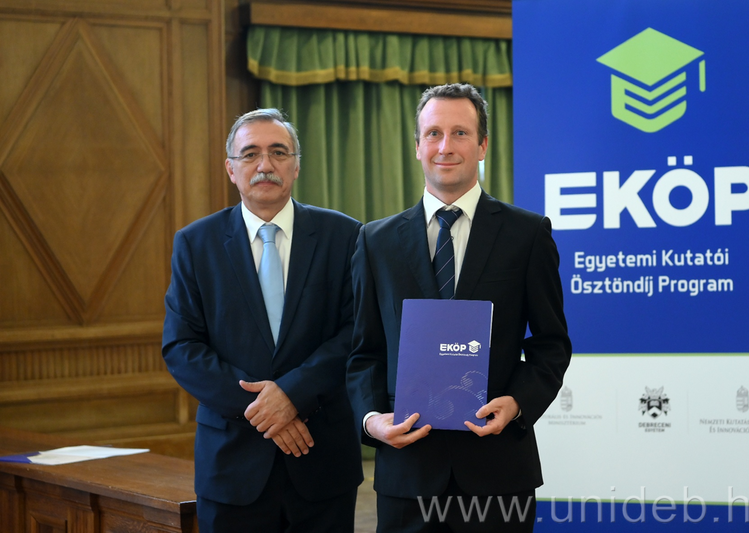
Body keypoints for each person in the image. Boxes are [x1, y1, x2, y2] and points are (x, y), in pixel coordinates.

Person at [346, 83, 572, 532]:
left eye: (460, 133)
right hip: (407, 472)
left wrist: (518, 403)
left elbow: (551, 344)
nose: (445, 146)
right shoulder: (375, 242)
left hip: (498, 472)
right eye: (433, 133)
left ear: (483, 145)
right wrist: (372, 421)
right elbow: (364, 352)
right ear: (417, 146)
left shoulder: (528, 235)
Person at [162, 108, 363, 532]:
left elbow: (357, 333)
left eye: (278, 152)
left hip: (321, 459)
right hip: (232, 467)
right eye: (250, 154)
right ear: (231, 169)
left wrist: (292, 394)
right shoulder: (195, 243)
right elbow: (181, 347)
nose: (265, 165)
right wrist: (264, 409)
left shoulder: (345, 236)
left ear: (296, 165)